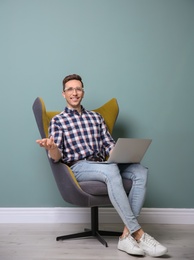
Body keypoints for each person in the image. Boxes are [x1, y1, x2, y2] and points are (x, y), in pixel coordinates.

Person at [36, 74, 167, 257]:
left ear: (83, 92)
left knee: (140, 171)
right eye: (70, 89)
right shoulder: (58, 121)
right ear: (63, 94)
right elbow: (57, 158)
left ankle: (125, 236)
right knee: (110, 169)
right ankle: (138, 233)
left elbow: (109, 147)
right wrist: (51, 148)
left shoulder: (96, 118)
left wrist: (124, 154)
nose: (75, 93)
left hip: (102, 164)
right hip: (78, 167)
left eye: (78, 89)